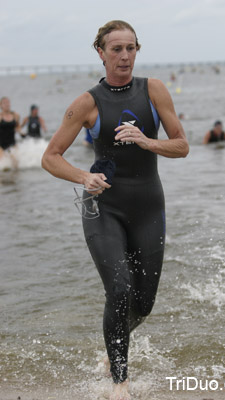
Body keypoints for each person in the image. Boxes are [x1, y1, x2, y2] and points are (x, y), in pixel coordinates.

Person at [42, 20, 189, 400]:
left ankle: (112, 345)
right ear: (101, 53)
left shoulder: (154, 91)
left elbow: (181, 145)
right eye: (116, 49)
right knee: (119, 288)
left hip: (148, 206)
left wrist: (146, 141)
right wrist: (81, 176)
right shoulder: (87, 103)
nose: (124, 56)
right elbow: (50, 157)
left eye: (131, 48)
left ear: (137, 50)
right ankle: (119, 382)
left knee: (143, 303)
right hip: (102, 207)